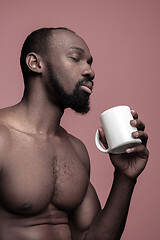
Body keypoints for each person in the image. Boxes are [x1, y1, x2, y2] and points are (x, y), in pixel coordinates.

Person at [0, 27, 149, 240]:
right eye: (75, 58)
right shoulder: (2, 138)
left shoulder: (76, 149)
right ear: (35, 63)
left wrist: (125, 176)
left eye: (89, 62)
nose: (89, 71)